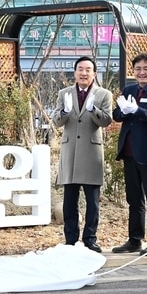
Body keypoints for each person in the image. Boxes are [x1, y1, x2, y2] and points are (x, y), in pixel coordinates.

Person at [52, 56, 114, 251]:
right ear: (75, 72)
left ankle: (90, 238)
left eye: (88, 69)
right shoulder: (64, 93)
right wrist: (65, 112)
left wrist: (94, 110)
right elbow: (56, 120)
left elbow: (106, 121)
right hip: (70, 152)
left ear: (94, 73)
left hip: (91, 152)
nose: (84, 73)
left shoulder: (103, 94)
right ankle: (70, 239)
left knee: (92, 202)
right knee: (70, 201)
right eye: (80, 69)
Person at [111, 53, 147, 254]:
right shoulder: (129, 90)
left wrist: (137, 110)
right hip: (129, 152)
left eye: (146, 68)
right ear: (133, 71)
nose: (142, 72)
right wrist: (124, 111)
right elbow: (116, 115)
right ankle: (134, 239)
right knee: (134, 200)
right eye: (138, 69)